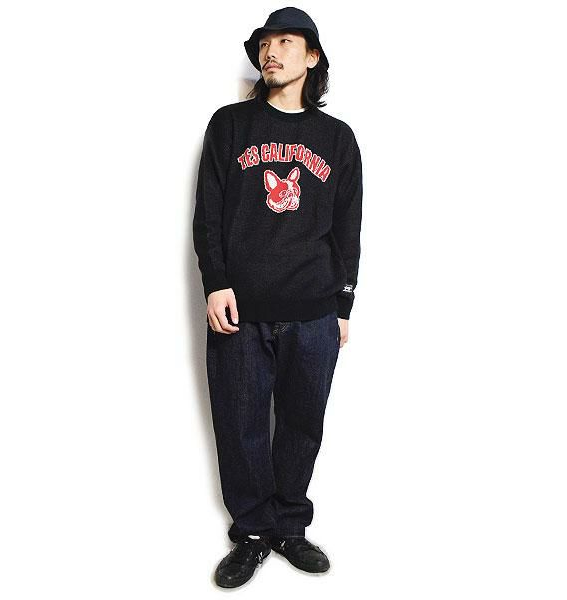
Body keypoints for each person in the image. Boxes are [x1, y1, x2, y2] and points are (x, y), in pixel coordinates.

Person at [192, 7, 363, 588]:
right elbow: (208, 214)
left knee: (301, 424)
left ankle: (290, 526)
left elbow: (347, 228)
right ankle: (252, 532)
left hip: (314, 312)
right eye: (266, 43)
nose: (272, 51)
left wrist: (344, 306)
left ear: (311, 57)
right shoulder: (229, 126)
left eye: (286, 42)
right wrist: (215, 282)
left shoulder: (336, 138)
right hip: (241, 311)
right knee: (238, 425)